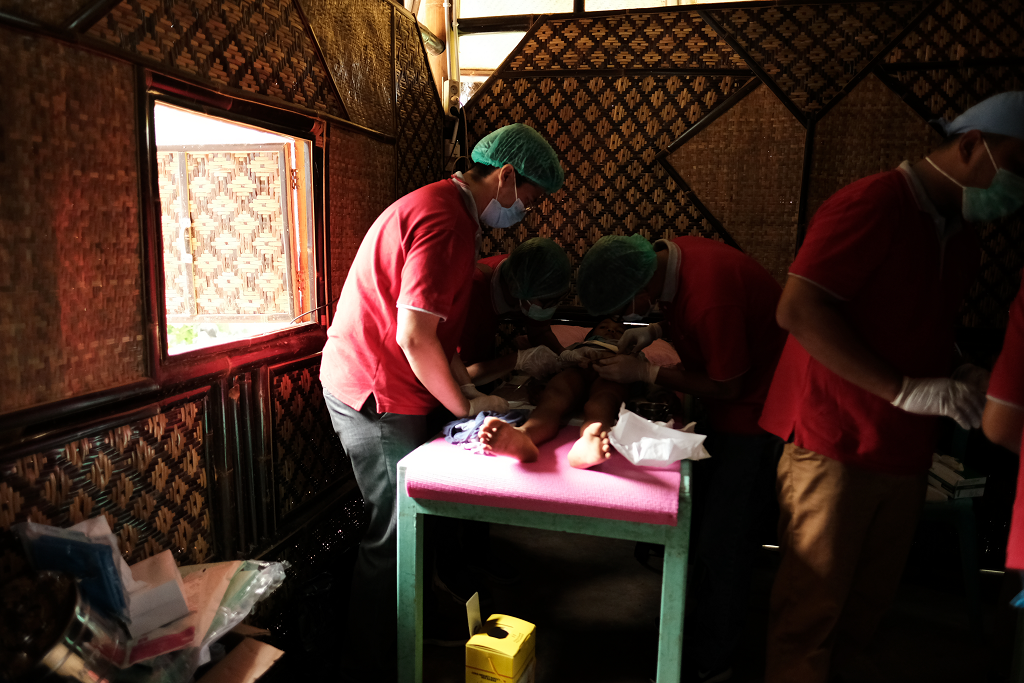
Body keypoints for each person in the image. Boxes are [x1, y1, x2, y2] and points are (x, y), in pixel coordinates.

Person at [758, 91, 1024, 683]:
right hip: (833, 440)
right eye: (1020, 165)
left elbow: (913, 322)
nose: (1021, 187)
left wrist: (954, 370)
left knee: (866, 612)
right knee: (811, 612)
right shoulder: (875, 202)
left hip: (901, 448)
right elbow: (798, 309)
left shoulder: (962, 234)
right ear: (971, 144)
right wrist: (904, 388)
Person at [319, 122, 563, 683]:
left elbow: (441, 335)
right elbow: (412, 337)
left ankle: (411, 627)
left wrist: (472, 391)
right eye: (529, 197)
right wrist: (464, 408)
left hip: (381, 377)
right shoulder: (447, 221)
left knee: (411, 530)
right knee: (396, 533)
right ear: (504, 176)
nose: (525, 209)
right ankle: (374, 667)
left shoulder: (446, 211)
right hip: (375, 390)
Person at [575, 233, 786, 682]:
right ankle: (699, 629)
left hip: (759, 413)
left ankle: (712, 663)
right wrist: (655, 331)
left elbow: (730, 385)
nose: (624, 317)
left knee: (724, 541)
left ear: (641, 289)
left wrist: (649, 371)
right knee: (708, 530)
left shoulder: (711, 296)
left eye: (624, 308)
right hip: (733, 404)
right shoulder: (671, 257)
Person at [476, 318, 648, 468]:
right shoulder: (576, 348)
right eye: (603, 327)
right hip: (577, 370)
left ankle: (590, 439)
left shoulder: (634, 352)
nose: (611, 330)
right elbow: (556, 363)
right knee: (554, 397)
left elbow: (645, 374)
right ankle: (525, 435)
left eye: (620, 331)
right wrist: (540, 384)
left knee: (602, 402)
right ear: (589, 336)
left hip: (613, 374)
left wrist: (659, 392)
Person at [457, 236, 570, 388]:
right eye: (548, 302)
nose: (552, 306)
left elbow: (540, 332)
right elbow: (456, 377)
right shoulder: (471, 295)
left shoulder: (530, 272)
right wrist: (518, 360)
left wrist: (565, 356)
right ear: (521, 293)